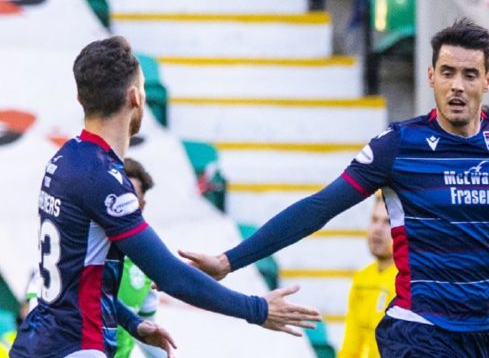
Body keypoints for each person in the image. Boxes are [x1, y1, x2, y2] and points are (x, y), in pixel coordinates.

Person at [179, 18, 489, 357]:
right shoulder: (397, 145)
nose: (457, 86)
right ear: (431, 76)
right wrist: (229, 261)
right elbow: (319, 207)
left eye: (469, 75)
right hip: (418, 331)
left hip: (485, 334)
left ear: (488, 81)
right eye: (447, 72)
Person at [9, 36, 320, 358]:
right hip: (75, 346)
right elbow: (170, 275)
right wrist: (256, 309)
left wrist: (132, 322)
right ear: (135, 97)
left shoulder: (65, 159)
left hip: (38, 340)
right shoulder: (103, 178)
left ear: (80, 97)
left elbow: (77, 279)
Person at [116, 157, 164, 358]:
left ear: (142, 206)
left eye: (131, 200)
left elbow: (147, 332)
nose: (122, 206)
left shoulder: (147, 262)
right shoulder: (71, 248)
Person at [338, 193, 397, 358]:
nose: (377, 229)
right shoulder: (362, 279)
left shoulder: (412, 283)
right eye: (374, 220)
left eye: (388, 222)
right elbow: (351, 349)